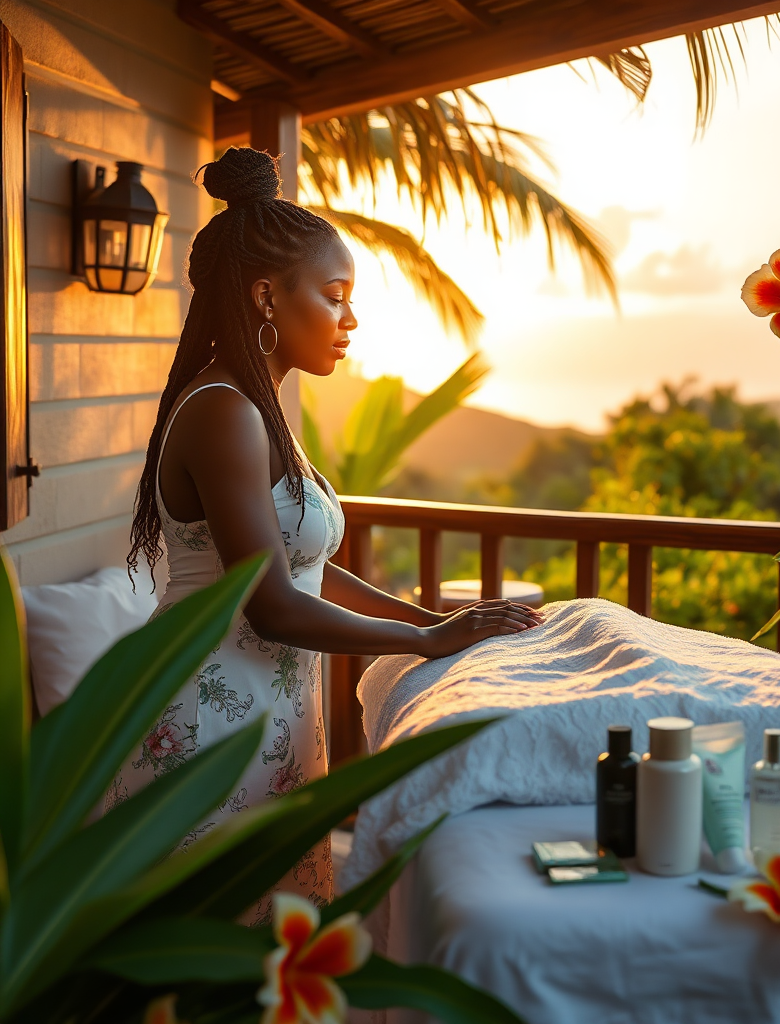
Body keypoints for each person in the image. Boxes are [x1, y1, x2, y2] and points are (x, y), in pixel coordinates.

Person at [113, 147, 542, 922]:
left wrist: (431, 622)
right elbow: (272, 605)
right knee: (215, 958)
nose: (350, 319)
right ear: (267, 297)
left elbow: (307, 569)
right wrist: (421, 645)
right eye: (335, 295)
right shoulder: (224, 412)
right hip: (208, 725)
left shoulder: (260, 406)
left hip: (266, 718)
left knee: (273, 952)